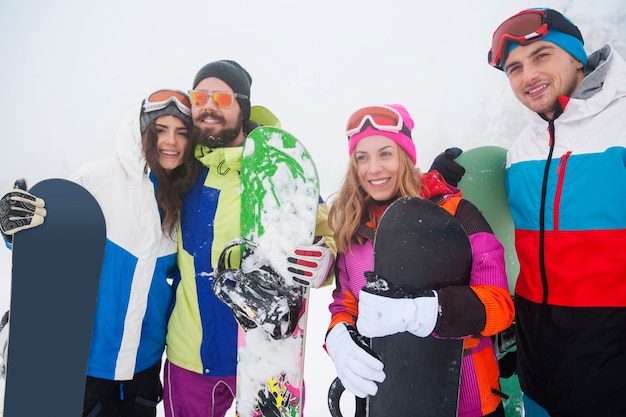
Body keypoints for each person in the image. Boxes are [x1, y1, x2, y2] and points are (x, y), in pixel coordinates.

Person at [0, 89, 199, 416]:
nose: (171, 142)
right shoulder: (100, 178)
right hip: (81, 367)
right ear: (143, 133)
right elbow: (48, 239)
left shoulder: (184, 199)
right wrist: (14, 228)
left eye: (181, 133)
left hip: (142, 372)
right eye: (160, 130)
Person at [163, 59, 336, 417]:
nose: (208, 105)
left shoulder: (278, 168)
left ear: (243, 106)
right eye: (200, 96)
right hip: (189, 355)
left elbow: (325, 232)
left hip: (267, 354)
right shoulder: (178, 170)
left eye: (222, 98)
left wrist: (326, 259)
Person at [324, 104, 514, 417]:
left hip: (466, 402)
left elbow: (499, 307)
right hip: (387, 397)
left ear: (406, 156)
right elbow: (346, 303)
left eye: (385, 153)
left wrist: (422, 312)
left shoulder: (457, 215)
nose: (373, 168)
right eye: (362, 157)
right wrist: (338, 336)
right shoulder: (353, 228)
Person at [485, 7, 626, 417]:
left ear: (576, 56)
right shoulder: (521, 151)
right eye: (514, 68)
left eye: (541, 55)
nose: (528, 75)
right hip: (538, 376)